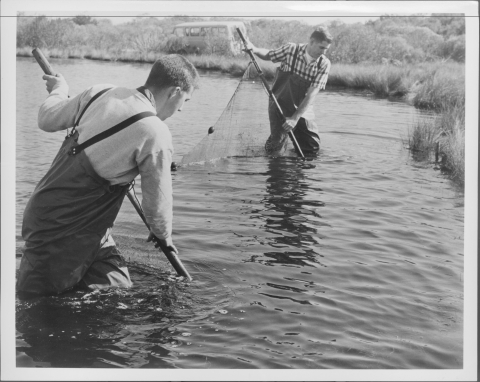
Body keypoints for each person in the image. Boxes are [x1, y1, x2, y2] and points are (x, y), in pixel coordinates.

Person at [17, 55, 199, 295]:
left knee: (115, 290)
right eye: (185, 99)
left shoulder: (100, 92)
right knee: (36, 304)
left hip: (88, 228)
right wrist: (163, 236)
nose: (182, 108)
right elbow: (157, 207)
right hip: (58, 230)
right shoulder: (156, 132)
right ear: (175, 92)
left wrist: (60, 90)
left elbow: (47, 117)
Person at [245, 27, 332, 156]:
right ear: (311, 42)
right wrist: (255, 49)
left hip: (303, 108)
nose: (323, 52)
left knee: (311, 148)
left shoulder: (324, 64)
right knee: (276, 150)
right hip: (279, 103)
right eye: (321, 47)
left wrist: (295, 118)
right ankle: (275, 143)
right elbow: (269, 55)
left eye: (326, 49)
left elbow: (311, 94)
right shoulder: (292, 49)